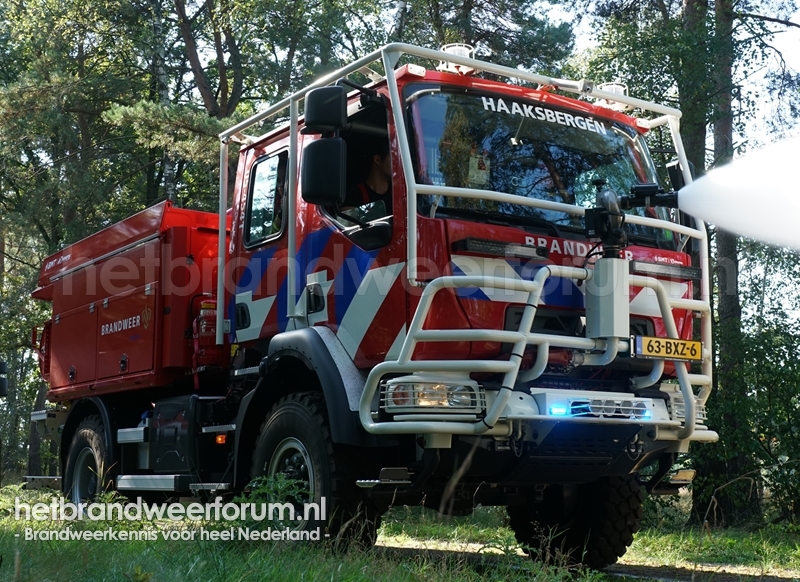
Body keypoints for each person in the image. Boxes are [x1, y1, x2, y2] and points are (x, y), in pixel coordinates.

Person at [344, 140, 392, 209]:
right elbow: (346, 215)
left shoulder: (400, 195)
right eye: (394, 158)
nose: (399, 165)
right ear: (377, 160)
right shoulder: (353, 194)